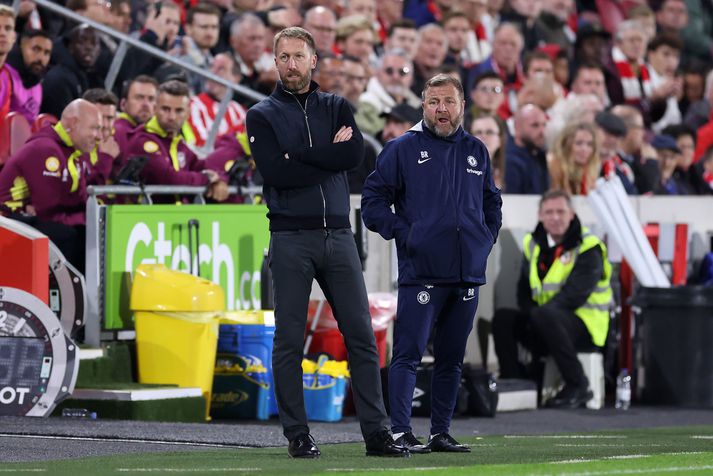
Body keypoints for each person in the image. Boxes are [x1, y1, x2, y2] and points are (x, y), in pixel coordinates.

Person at [245, 26, 408, 459]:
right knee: (289, 340)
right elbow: (275, 174)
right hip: (290, 236)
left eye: (299, 56)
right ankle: (298, 434)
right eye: (284, 57)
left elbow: (353, 158)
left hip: (338, 234)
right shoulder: (260, 113)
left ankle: (376, 433)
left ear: (314, 59)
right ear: (275, 61)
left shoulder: (337, 105)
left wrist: (296, 154)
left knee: (361, 336)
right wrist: (322, 154)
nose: (292, 64)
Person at [361, 74, 502, 453]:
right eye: (434, 102)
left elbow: (492, 201)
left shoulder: (477, 151)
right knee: (407, 354)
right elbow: (372, 201)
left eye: (448, 102)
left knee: (452, 359)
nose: (441, 109)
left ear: (461, 107)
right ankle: (400, 431)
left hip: (466, 273)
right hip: (421, 273)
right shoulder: (401, 149)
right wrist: (405, 234)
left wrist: (485, 239)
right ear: (423, 105)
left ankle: (440, 432)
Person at [492, 190, 612, 408]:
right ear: (540, 215)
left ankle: (578, 385)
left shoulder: (588, 246)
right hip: (546, 321)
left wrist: (539, 316)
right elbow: (524, 292)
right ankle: (516, 381)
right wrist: (533, 316)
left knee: (544, 314)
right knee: (503, 319)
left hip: (586, 326)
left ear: (572, 214)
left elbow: (574, 296)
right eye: (549, 212)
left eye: (561, 212)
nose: (555, 218)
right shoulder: (532, 243)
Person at [0, 99, 102, 271]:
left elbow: (79, 199)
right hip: (8, 221)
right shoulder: (45, 149)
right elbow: (49, 209)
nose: (99, 136)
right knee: (69, 234)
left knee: (87, 232)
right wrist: (83, 216)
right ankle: (58, 294)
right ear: (73, 123)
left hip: (27, 220)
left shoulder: (73, 153)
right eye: (94, 128)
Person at [124, 80, 229, 200]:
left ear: (188, 113)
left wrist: (219, 179)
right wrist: (207, 179)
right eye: (165, 109)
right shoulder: (142, 140)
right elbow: (170, 179)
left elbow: (204, 166)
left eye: (179, 111)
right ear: (154, 108)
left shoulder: (178, 143)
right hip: (143, 217)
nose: (172, 117)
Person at [548, 122, 601, 195]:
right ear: (566, 145)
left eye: (589, 144)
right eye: (579, 143)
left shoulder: (590, 172)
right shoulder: (553, 167)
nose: (584, 149)